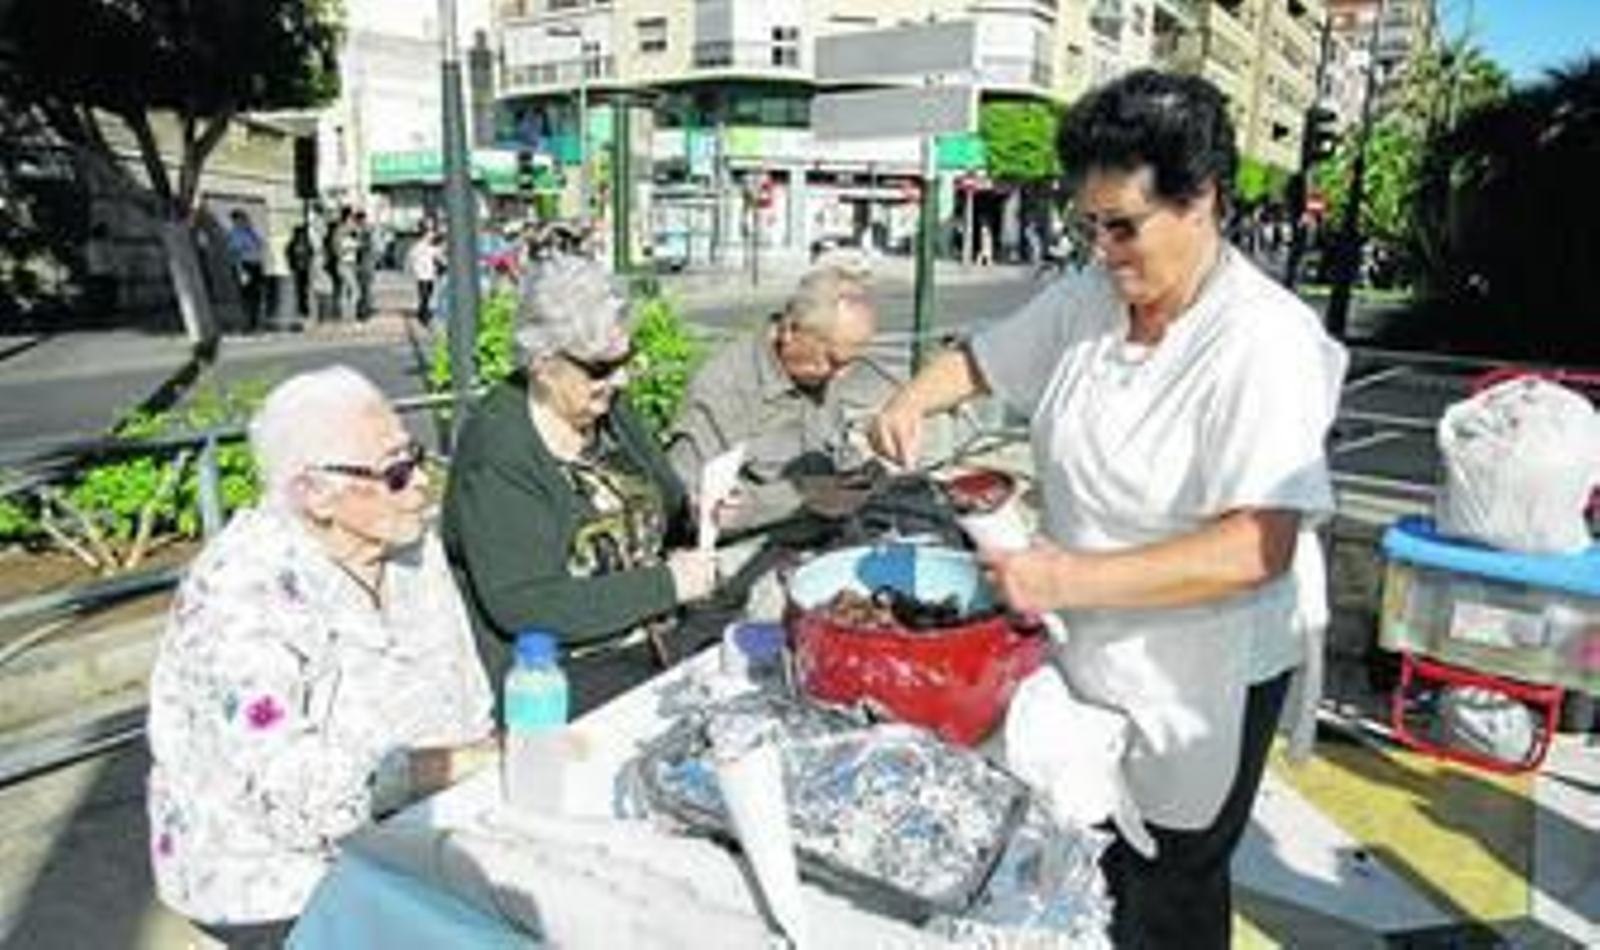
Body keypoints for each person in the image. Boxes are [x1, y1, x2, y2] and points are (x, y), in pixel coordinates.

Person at [869, 69, 1347, 950]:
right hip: (1091, 628)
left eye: (1123, 225)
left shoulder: (1263, 342)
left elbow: (1258, 545)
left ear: (1201, 200)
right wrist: (909, 401)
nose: (1104, 250)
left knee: (1174, 874)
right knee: (1092, 852)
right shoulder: (1094, 296)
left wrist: (1066, 574)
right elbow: (985, 358)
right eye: (1089, 226)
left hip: (1207, 661)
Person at [146, 366, 495, 947]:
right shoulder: (240, 590)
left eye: (416, 458)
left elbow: (465, 694)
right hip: (275, 879)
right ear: (314, 493)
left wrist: (483, 782)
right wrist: (461, 765)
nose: (421, 486)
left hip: (412, 832)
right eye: (396, 473)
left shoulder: (407, 539)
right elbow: (293, 794)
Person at [441, 256, 718, 714]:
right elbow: (524, 603)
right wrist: (664, 586)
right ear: (545, 367)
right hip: (565, 677)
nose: (621, 378)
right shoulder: (499, 450)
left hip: (657, 643)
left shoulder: (606, 409)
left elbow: (665, 506)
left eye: (625, 360)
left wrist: (701, 511)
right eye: (602, 368)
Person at [665, 261, 896, 530]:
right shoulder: (724, 388)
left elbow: (838, 452)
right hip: (752, 550)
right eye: (833, 360)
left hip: (827, 534)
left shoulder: (819, 372)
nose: (841, 375)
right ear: (789, 330)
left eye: (849, 363)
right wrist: (798, 496)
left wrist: (863, 476)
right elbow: (689, 509)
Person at [225, 209, 266, 332]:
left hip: (255, 265)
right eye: (241, 219)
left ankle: (254, 322)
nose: (244, 221)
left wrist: (251, 233)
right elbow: (233, 252)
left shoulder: (251, 233)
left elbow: (260, 245)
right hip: (243, 266)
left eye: (245, 219)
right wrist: (240, 269)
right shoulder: (233, 234)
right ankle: (245, 324)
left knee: (256, 296)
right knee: (245, 296)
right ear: (235, 221)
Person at [406, 225, 442, 324]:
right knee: (424, 294)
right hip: (422, 274)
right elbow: (412, 258)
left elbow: (438, 256)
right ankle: (423, 313)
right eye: (429, 234)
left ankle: (423, 311)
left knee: (428, 293)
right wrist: (414, 269)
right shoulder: (418, 246)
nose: (431, 236)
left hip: (429, 273)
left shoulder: (432, 247)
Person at [286, 224, 314, 321]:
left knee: (305, 289)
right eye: (300, 234)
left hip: (305, 269)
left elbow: (311, 253)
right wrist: (292, 266)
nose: (302, 236)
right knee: (299, 289)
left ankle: (304, 308)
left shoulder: (307, 244)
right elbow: (289, 255)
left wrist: (309, 262)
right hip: (297, 269)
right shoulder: (292, 244)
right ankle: (300, 308)